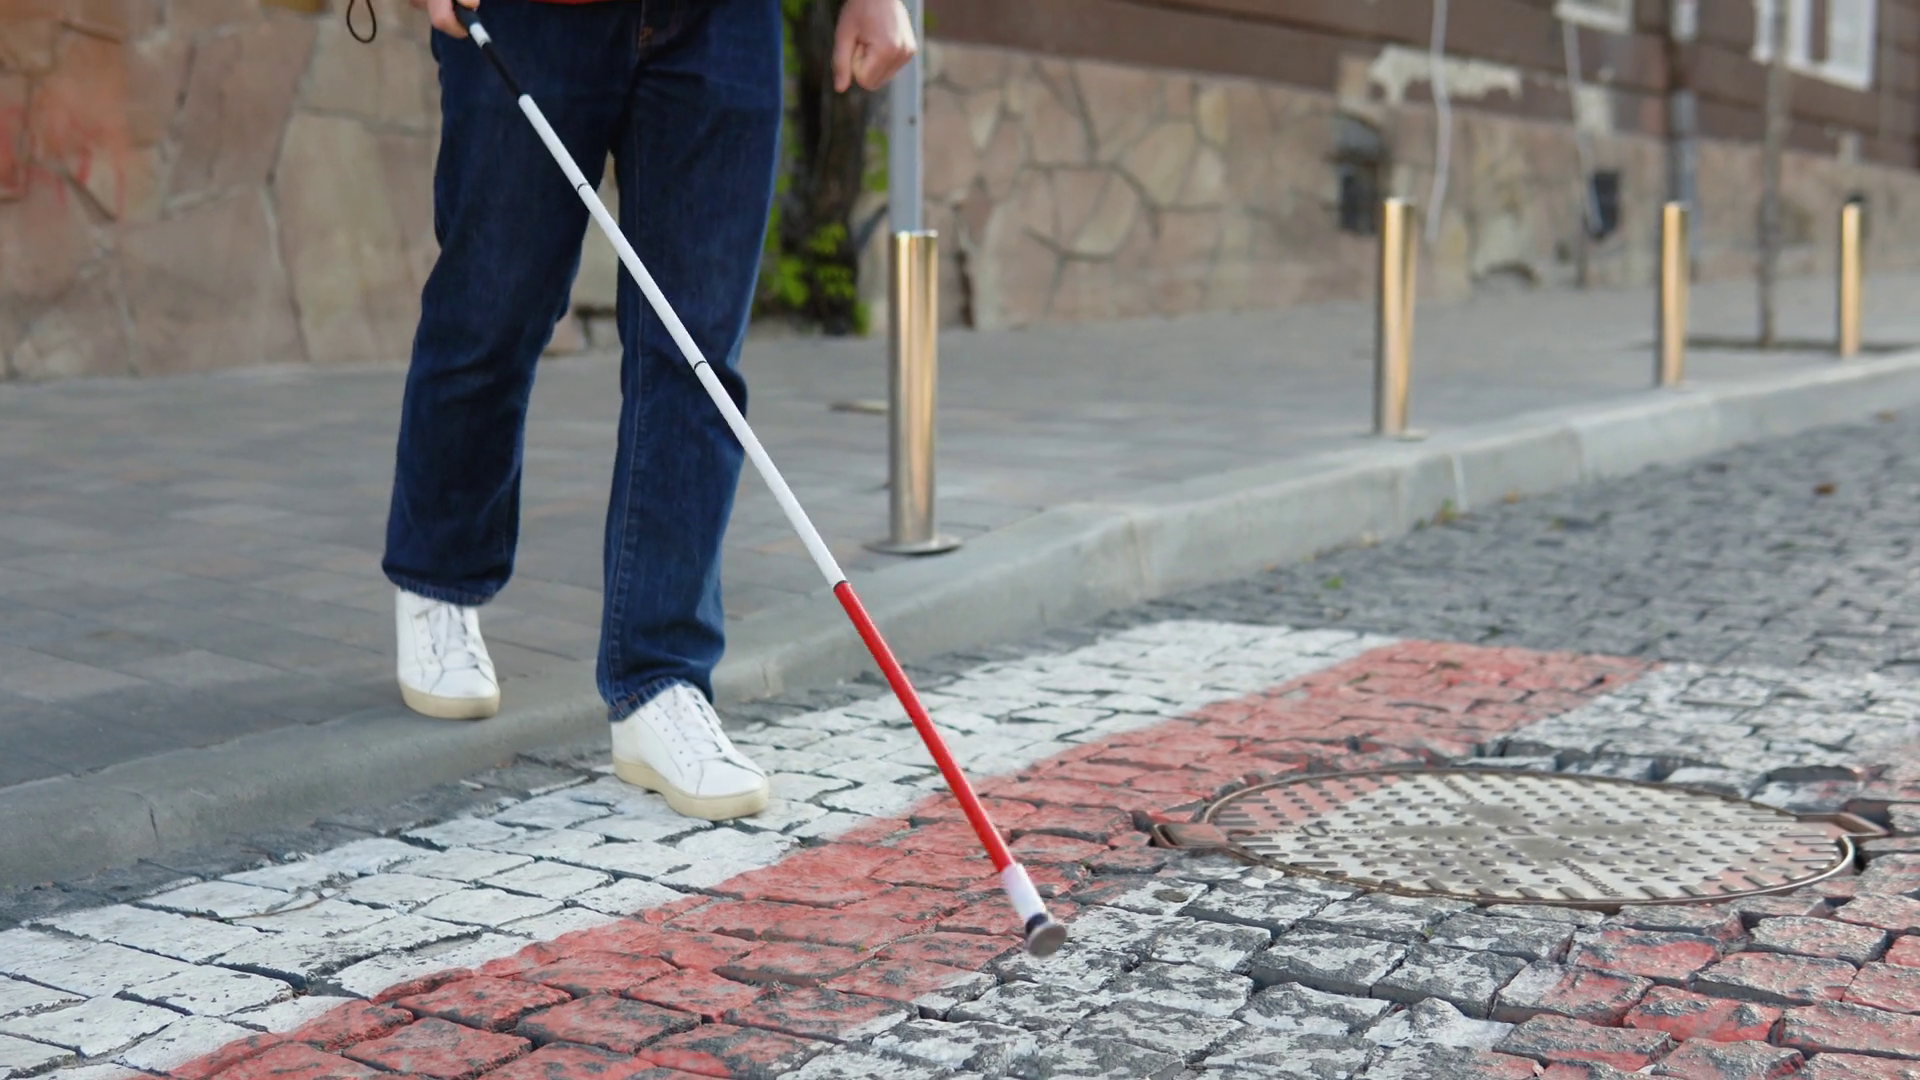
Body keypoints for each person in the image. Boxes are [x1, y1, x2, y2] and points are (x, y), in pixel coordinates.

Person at [384, 0, 915, 822]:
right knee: (493, 307)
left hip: (724, 19)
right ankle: (439, 583)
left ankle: (661, 681)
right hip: (531, 14)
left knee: (696, 353)